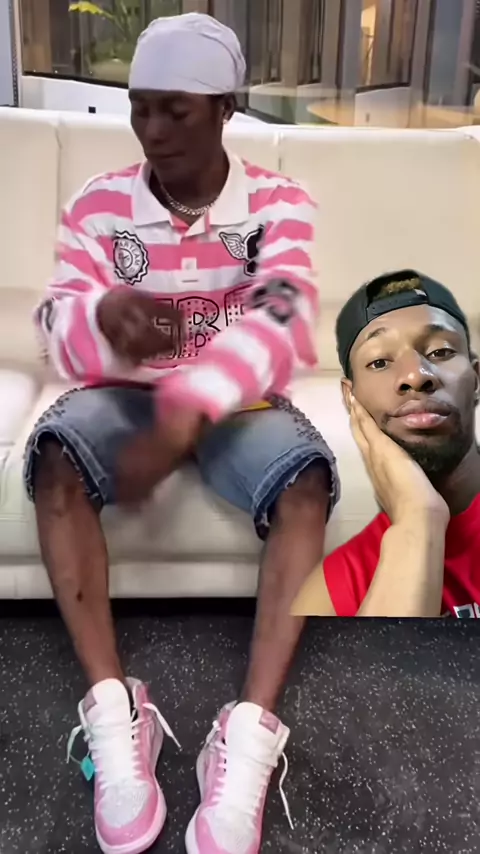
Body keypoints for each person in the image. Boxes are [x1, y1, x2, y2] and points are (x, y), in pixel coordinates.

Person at [23, 12, 339, 854]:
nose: (152, 130)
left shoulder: (278, 206)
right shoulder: (99, 206)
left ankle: (249, 732)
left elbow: (284, 318)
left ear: (226, 108)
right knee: (54, 458)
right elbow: (52, 324)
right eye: (140, 107)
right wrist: (100, 317)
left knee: (307, 478)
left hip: (234, 406)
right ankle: (115, 711)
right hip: (127, 398)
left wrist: (188, 409)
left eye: (176, 110)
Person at [293, 269, 480, 619]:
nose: (416, 376)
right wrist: (418, 520)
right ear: (351, 398)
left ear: (476, 379)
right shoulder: (335, 590)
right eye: (379, 362)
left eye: (440, 351)